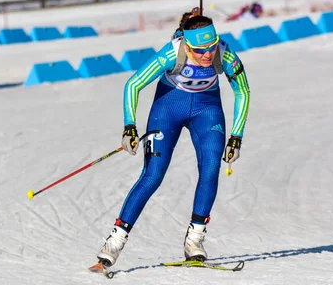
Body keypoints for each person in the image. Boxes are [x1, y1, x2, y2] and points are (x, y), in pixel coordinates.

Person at [96, 14, 250, 267]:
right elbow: (133, 84)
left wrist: (236, 137)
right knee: (153, 175)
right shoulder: (171, 53)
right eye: (200, 50)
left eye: (211, 47)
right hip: (168, 109)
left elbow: (242, 90)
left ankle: (195, 240)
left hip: (206, 110)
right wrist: (129, 127)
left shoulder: (225, 53)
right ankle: (115, 241)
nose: (208, 55)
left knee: (211, 168)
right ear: (187, 45)